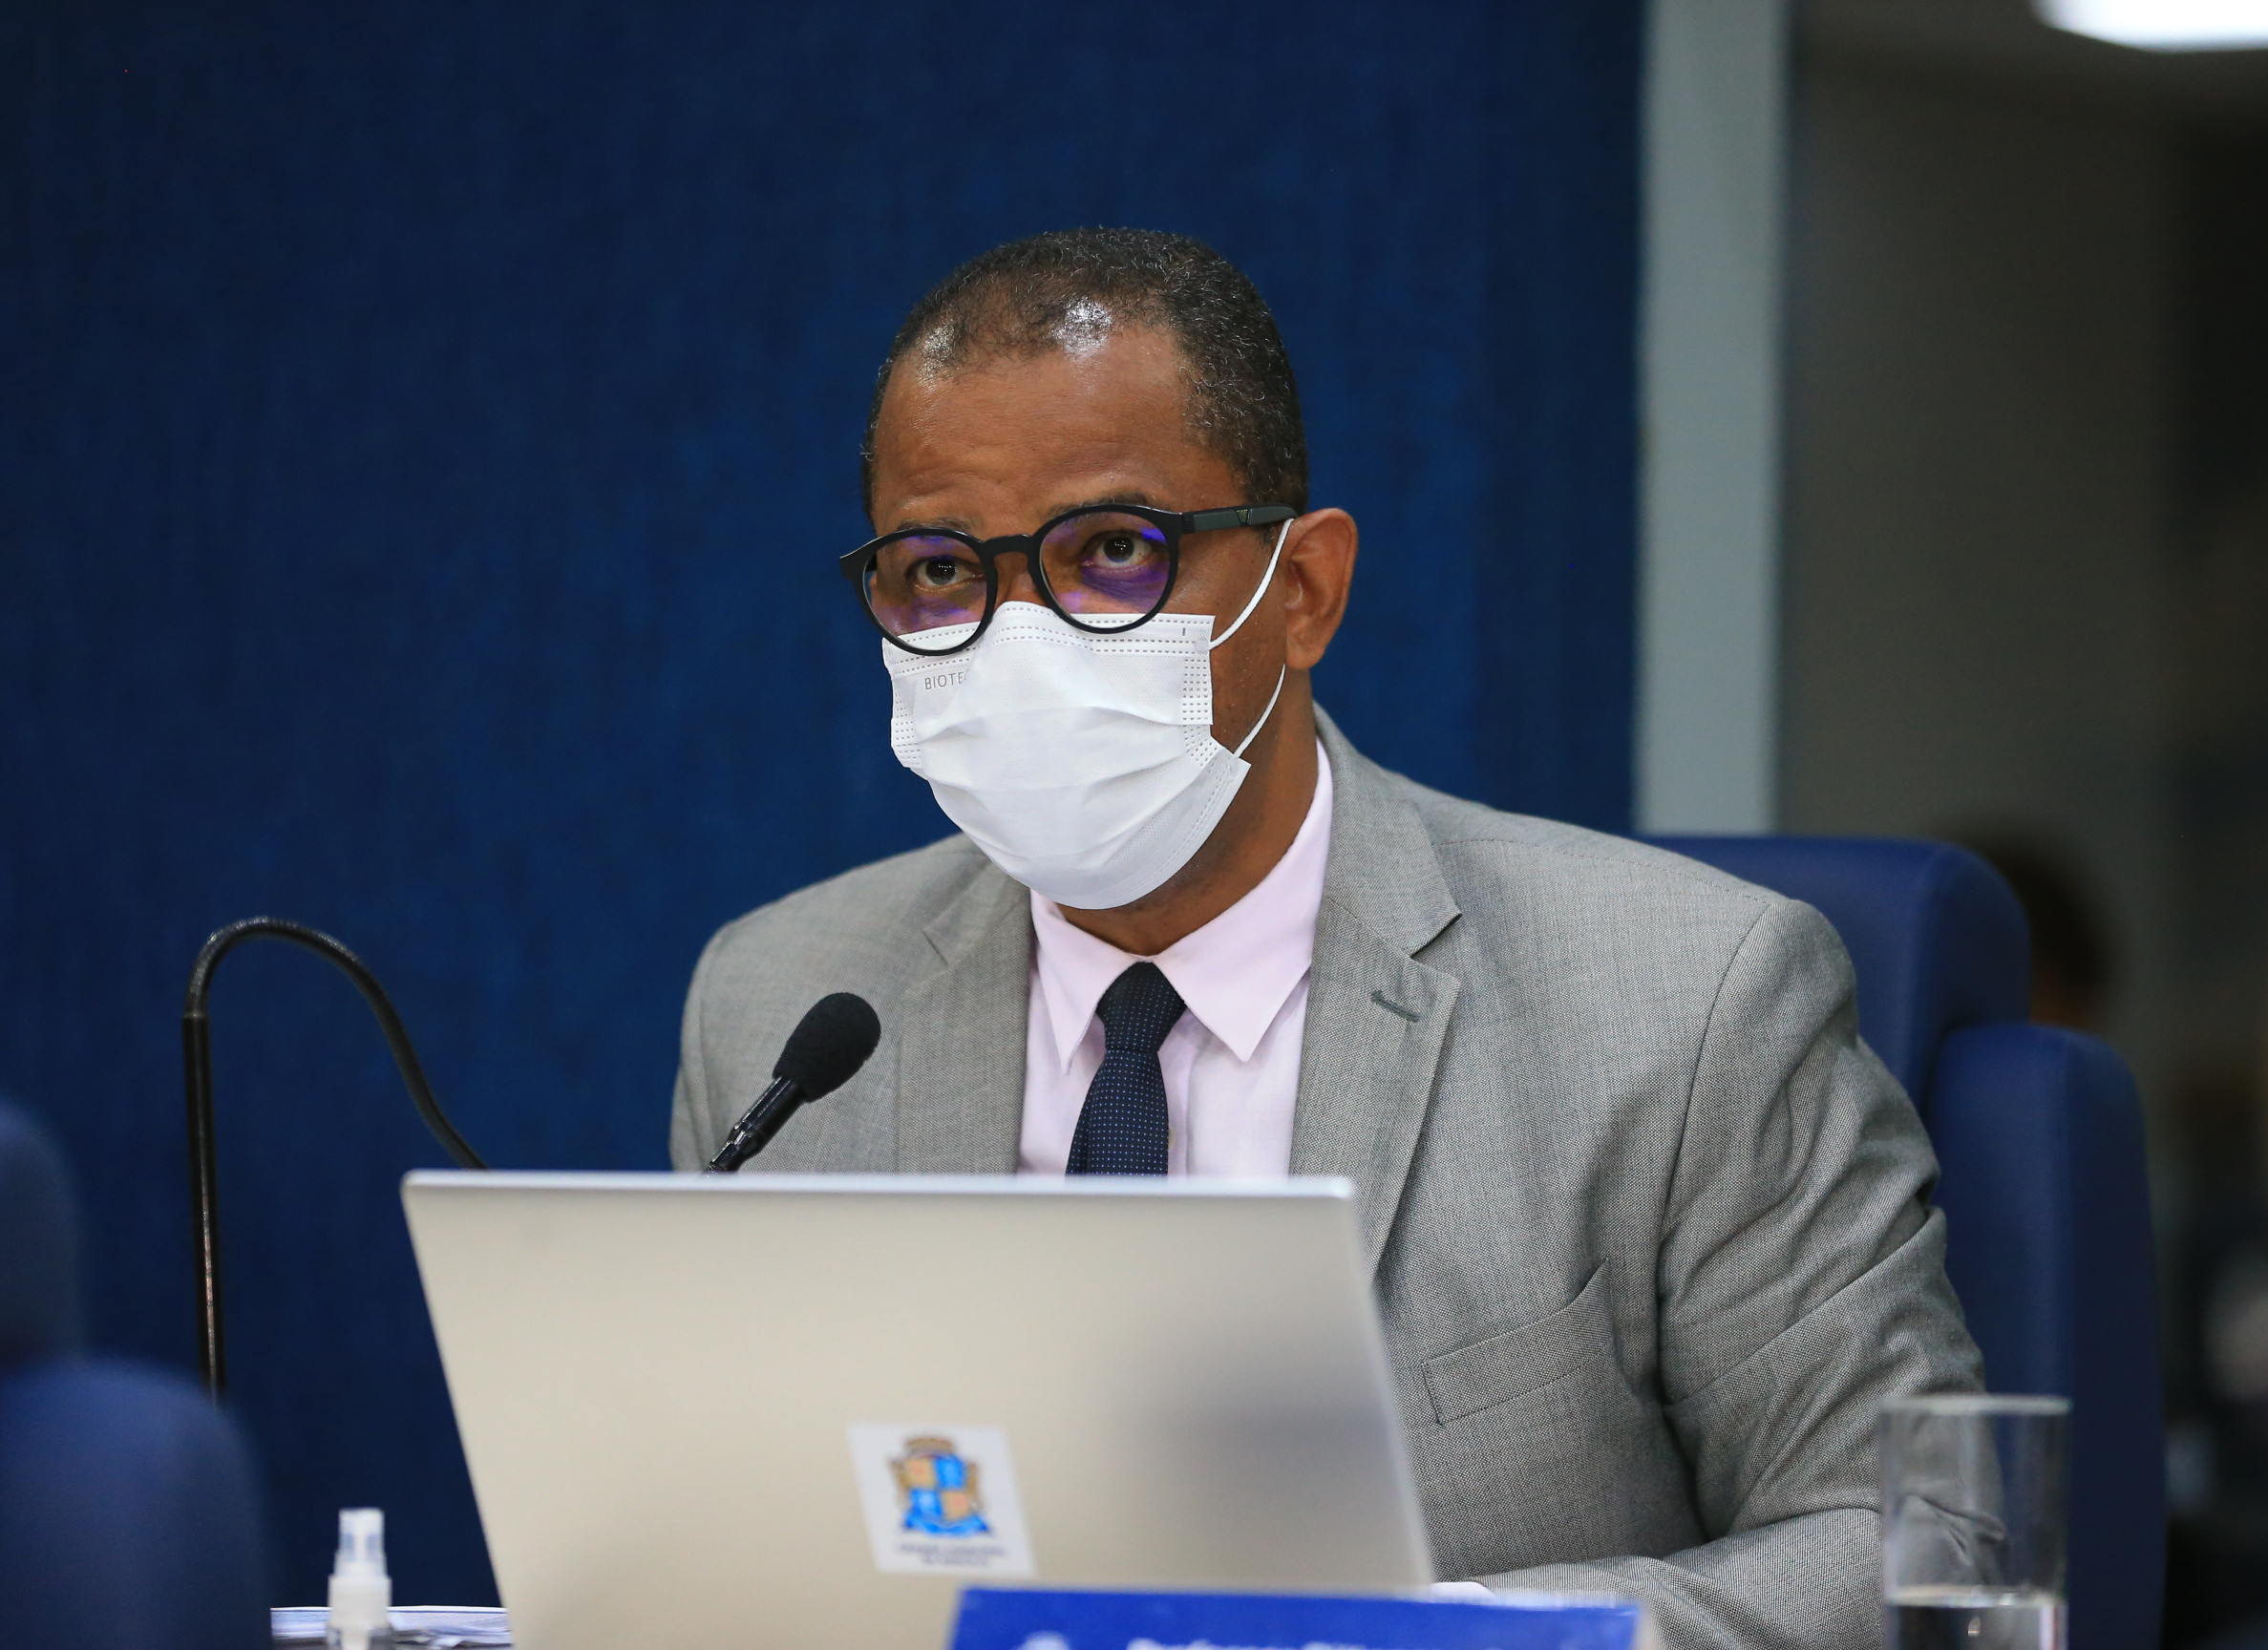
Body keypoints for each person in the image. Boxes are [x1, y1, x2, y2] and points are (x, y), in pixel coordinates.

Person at [669, 227, 1981, 1649]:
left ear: (1303, 592)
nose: (1016, 636)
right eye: (938, 570)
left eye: (1112, 551)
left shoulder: (1684, 1008)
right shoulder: (786, 1005)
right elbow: (715, 1538)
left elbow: (1914, 1539)